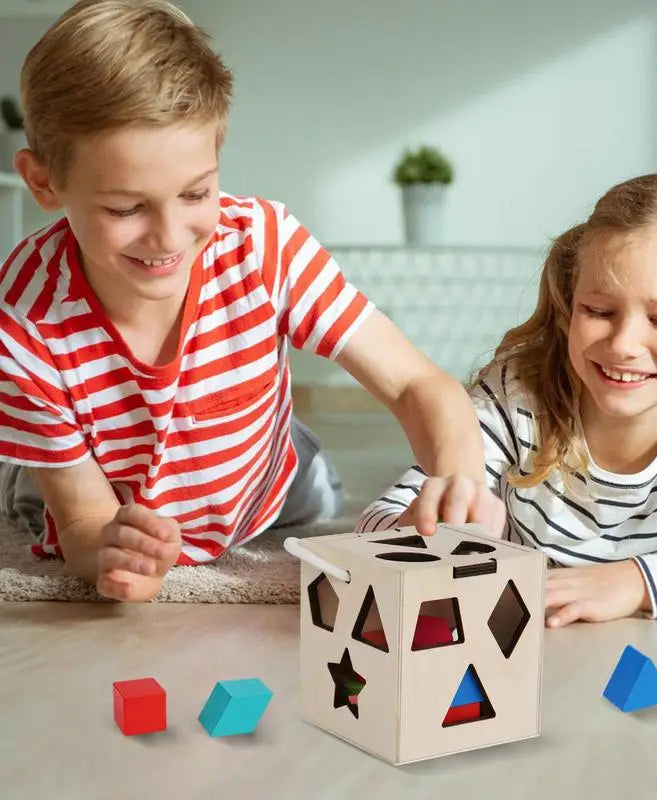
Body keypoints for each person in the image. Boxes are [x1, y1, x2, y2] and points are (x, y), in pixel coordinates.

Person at [0, 0, 499, 602]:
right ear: (45, 183)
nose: (167, 236)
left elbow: (419, 387)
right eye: (125, 208)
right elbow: (83, 527)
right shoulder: (21, 322)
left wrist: (460, 479)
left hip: (267, 481)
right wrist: (111, 549)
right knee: (32, 501)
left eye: (196, 193)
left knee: (314, 481)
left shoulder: (263, 245)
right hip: (103, 488)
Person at [358, 172, 657, 625]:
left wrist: (638, 582)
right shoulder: (516, 400)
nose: (624, 343)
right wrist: (417, 525)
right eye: (599, 311)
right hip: (541, 655)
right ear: (572, 299)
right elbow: (374, 521)